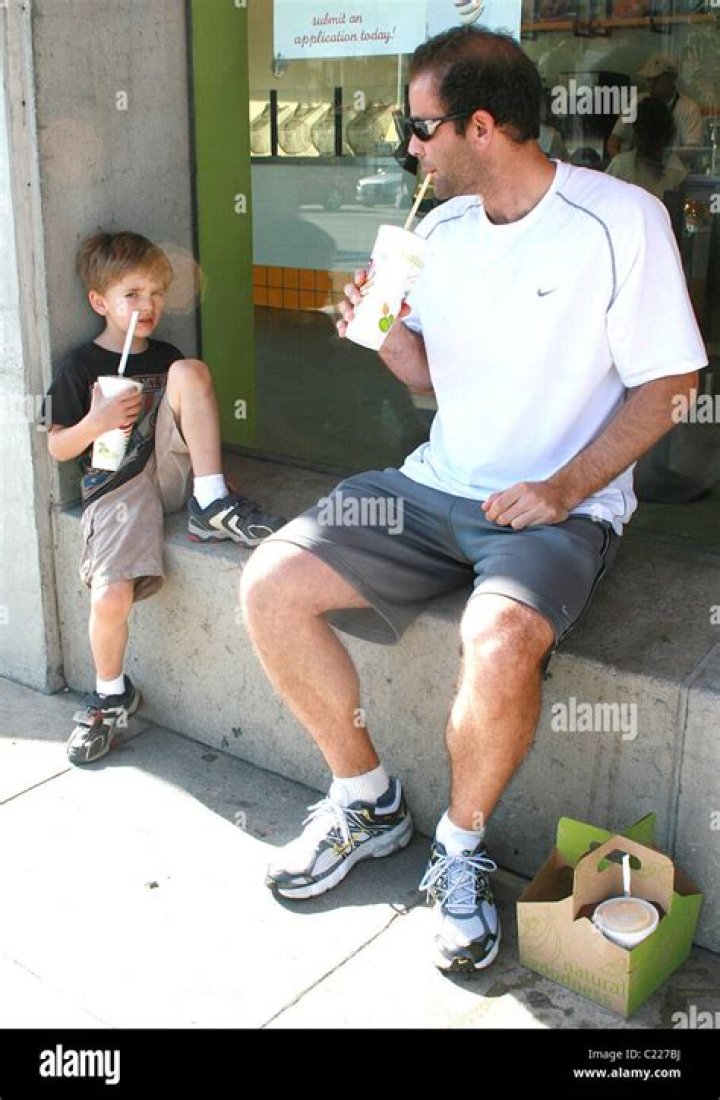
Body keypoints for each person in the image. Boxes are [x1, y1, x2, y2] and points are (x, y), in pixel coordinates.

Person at [239, 27, 706, 973]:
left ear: (481, 126)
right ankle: (366, 799)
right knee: (269, 585)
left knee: (497, 640)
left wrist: (565, 487)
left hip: (558, 507)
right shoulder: (442, 230)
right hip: (433, 483)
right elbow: (426, 380)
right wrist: (380, 332)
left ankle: (458, 849)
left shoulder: (618, 220)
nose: (407, 147)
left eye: (419, 128)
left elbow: (673, 385)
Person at [44, 231, 285, 765]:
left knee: (191, 371)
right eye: (131, 294)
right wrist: (97, 421)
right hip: (118, 488)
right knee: (110, 597)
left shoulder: (167, 357)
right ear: (99, 302)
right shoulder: (80, 364)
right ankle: (111, 696)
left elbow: (187, 422)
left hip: (173, 478)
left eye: (155, 293)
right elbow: (58, 446)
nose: (147, 305)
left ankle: (211, 503)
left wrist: (210, 476)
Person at [606, 53, 704, 162]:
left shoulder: (689, 109)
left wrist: (664, 159)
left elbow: (693, 150)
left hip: (670, 170)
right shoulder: (636, 102)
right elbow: (613, 141)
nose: (651, 85)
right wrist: (620, 165)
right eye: (648, 79)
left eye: (656, 79)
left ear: (672, 78)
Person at [606, 96, 687, 201]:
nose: (650, 143)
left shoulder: (676, 171)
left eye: (655, 137)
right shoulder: (620, 167)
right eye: (646, 136)